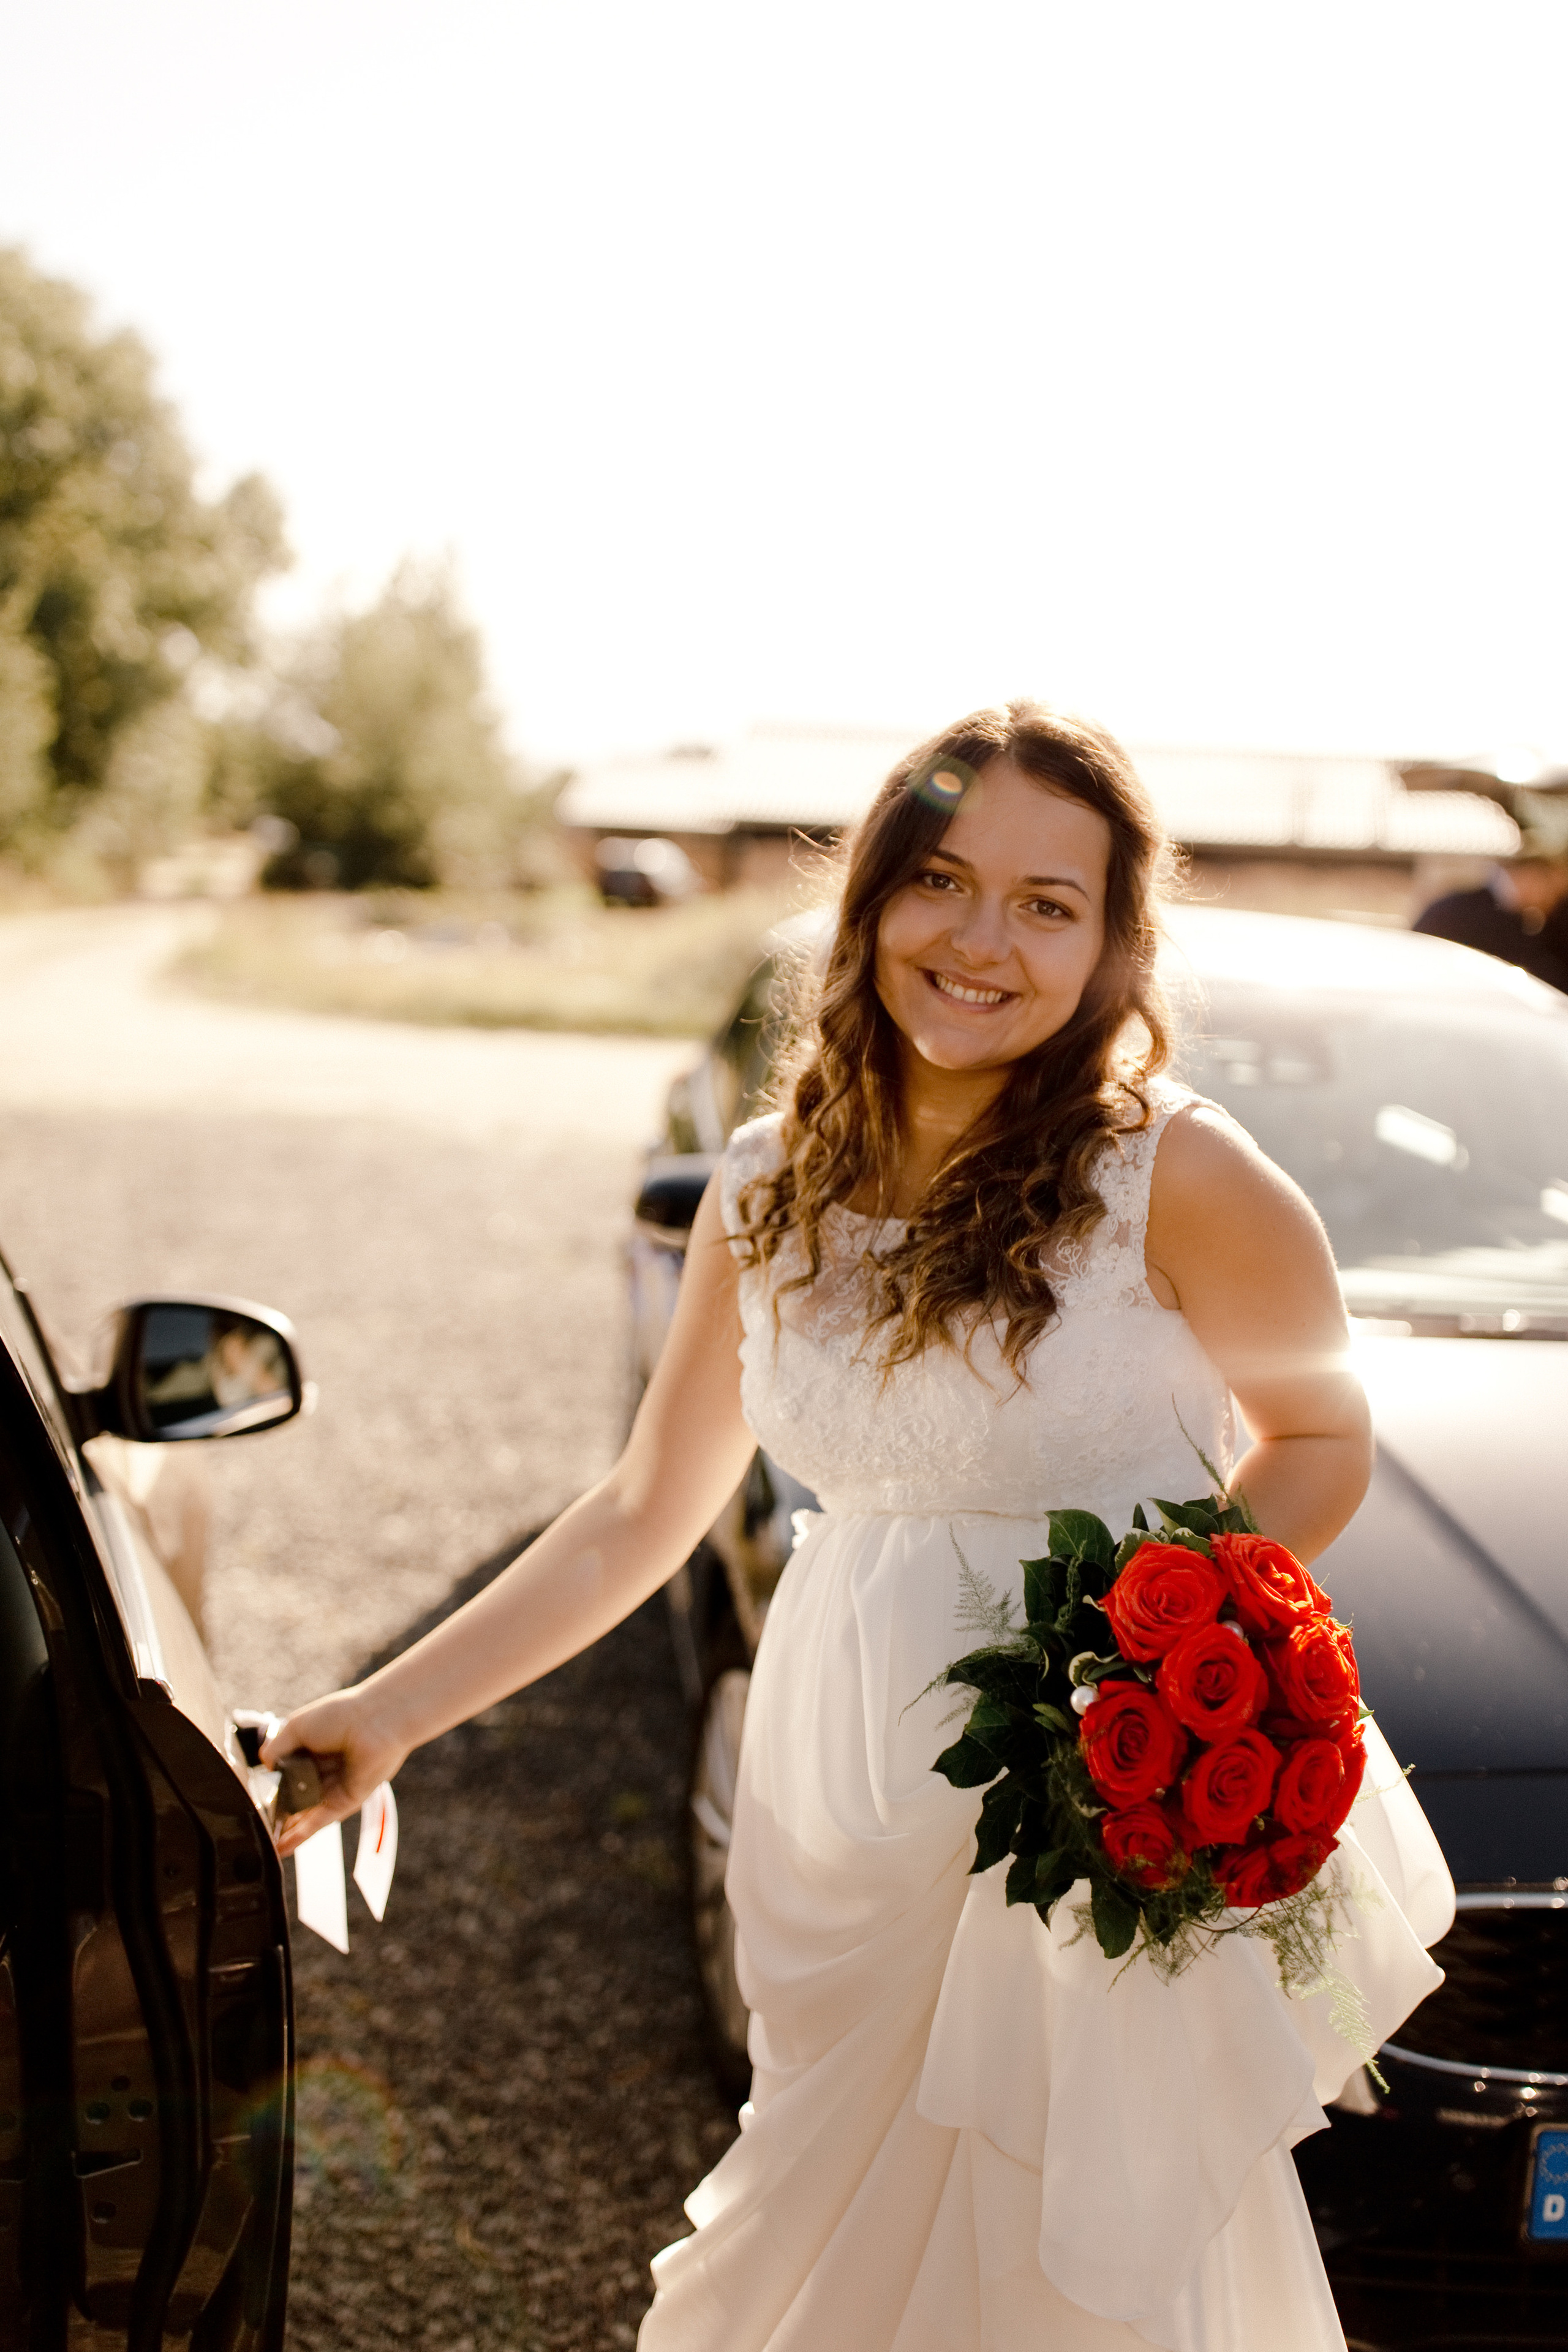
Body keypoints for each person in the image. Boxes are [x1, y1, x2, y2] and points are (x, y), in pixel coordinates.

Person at [265, 703, 1452, 2351]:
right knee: (826, 2240)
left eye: (1050, 903)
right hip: (837, 1793)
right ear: (872, 899)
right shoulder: (766, 1184)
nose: (981, 940)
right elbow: (639, 1515)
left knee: (1066, 2265)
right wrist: (387, 1716)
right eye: (943, 881)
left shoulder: (1180, 1176)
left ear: (1115, 942)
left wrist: (1143, 1663)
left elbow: (1322, 1437)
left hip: (1083, 1806)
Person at [1412, 826, 1568, 992]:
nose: (1551, 901)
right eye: (1553, 891)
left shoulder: (1467, 904)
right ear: (1533, 877)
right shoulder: (1491, 917)